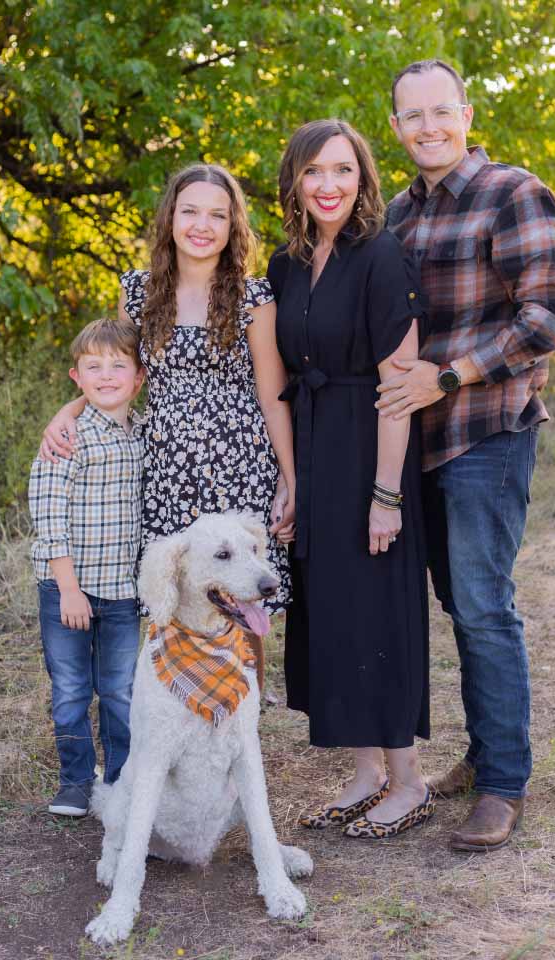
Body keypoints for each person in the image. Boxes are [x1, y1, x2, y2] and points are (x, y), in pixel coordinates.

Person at [378, 59, 555, 851]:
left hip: (487, 430)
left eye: (440, 112)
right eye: (412, 117)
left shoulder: (512, 192)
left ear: (465, 112)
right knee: (461, 604)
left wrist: (451, 374)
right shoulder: (398, 213)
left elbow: (551, 316)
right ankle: (485, 750)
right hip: (419, 443)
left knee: (485, 604)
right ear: (396, 128)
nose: (428, 127)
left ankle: (503, 785)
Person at [40, 165, 296, 634]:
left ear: (233, 225)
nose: (202, 225)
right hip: (164, 468)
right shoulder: (138, 292)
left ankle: (243, 703)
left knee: (241, 598)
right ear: (170, 218)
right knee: (170, 591)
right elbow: (119, 371)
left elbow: (273, 398)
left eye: (217, 215)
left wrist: (289, 480)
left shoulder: (254, 298)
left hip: (239, 467)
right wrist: (70, 409)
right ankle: (173, 702)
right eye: (190, 211)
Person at [268, 119, 432, 839]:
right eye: (314, 172)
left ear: (363, 177)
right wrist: (292, 478)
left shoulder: (383, 256)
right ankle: (366, 775)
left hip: (371, 450)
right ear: (295, 182)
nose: (329, 185)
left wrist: (386, 495)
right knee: (332, 614)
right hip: (314, 448)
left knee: (377, 614)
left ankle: (409, 782)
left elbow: (399, 387)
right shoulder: (289, 263)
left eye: (343, 170)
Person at [29, 318, 146, 817]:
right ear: (76, 377)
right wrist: (69, 588)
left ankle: (120, 781)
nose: (106, 375)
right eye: (93, 366)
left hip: (121, 592)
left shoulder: (145, 434)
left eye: (118, 365)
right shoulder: (67, 439)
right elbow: (49, 518)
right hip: (67, 590)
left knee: (121, 691)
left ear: (139, 378)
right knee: (72, 689)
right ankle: (77, 780)